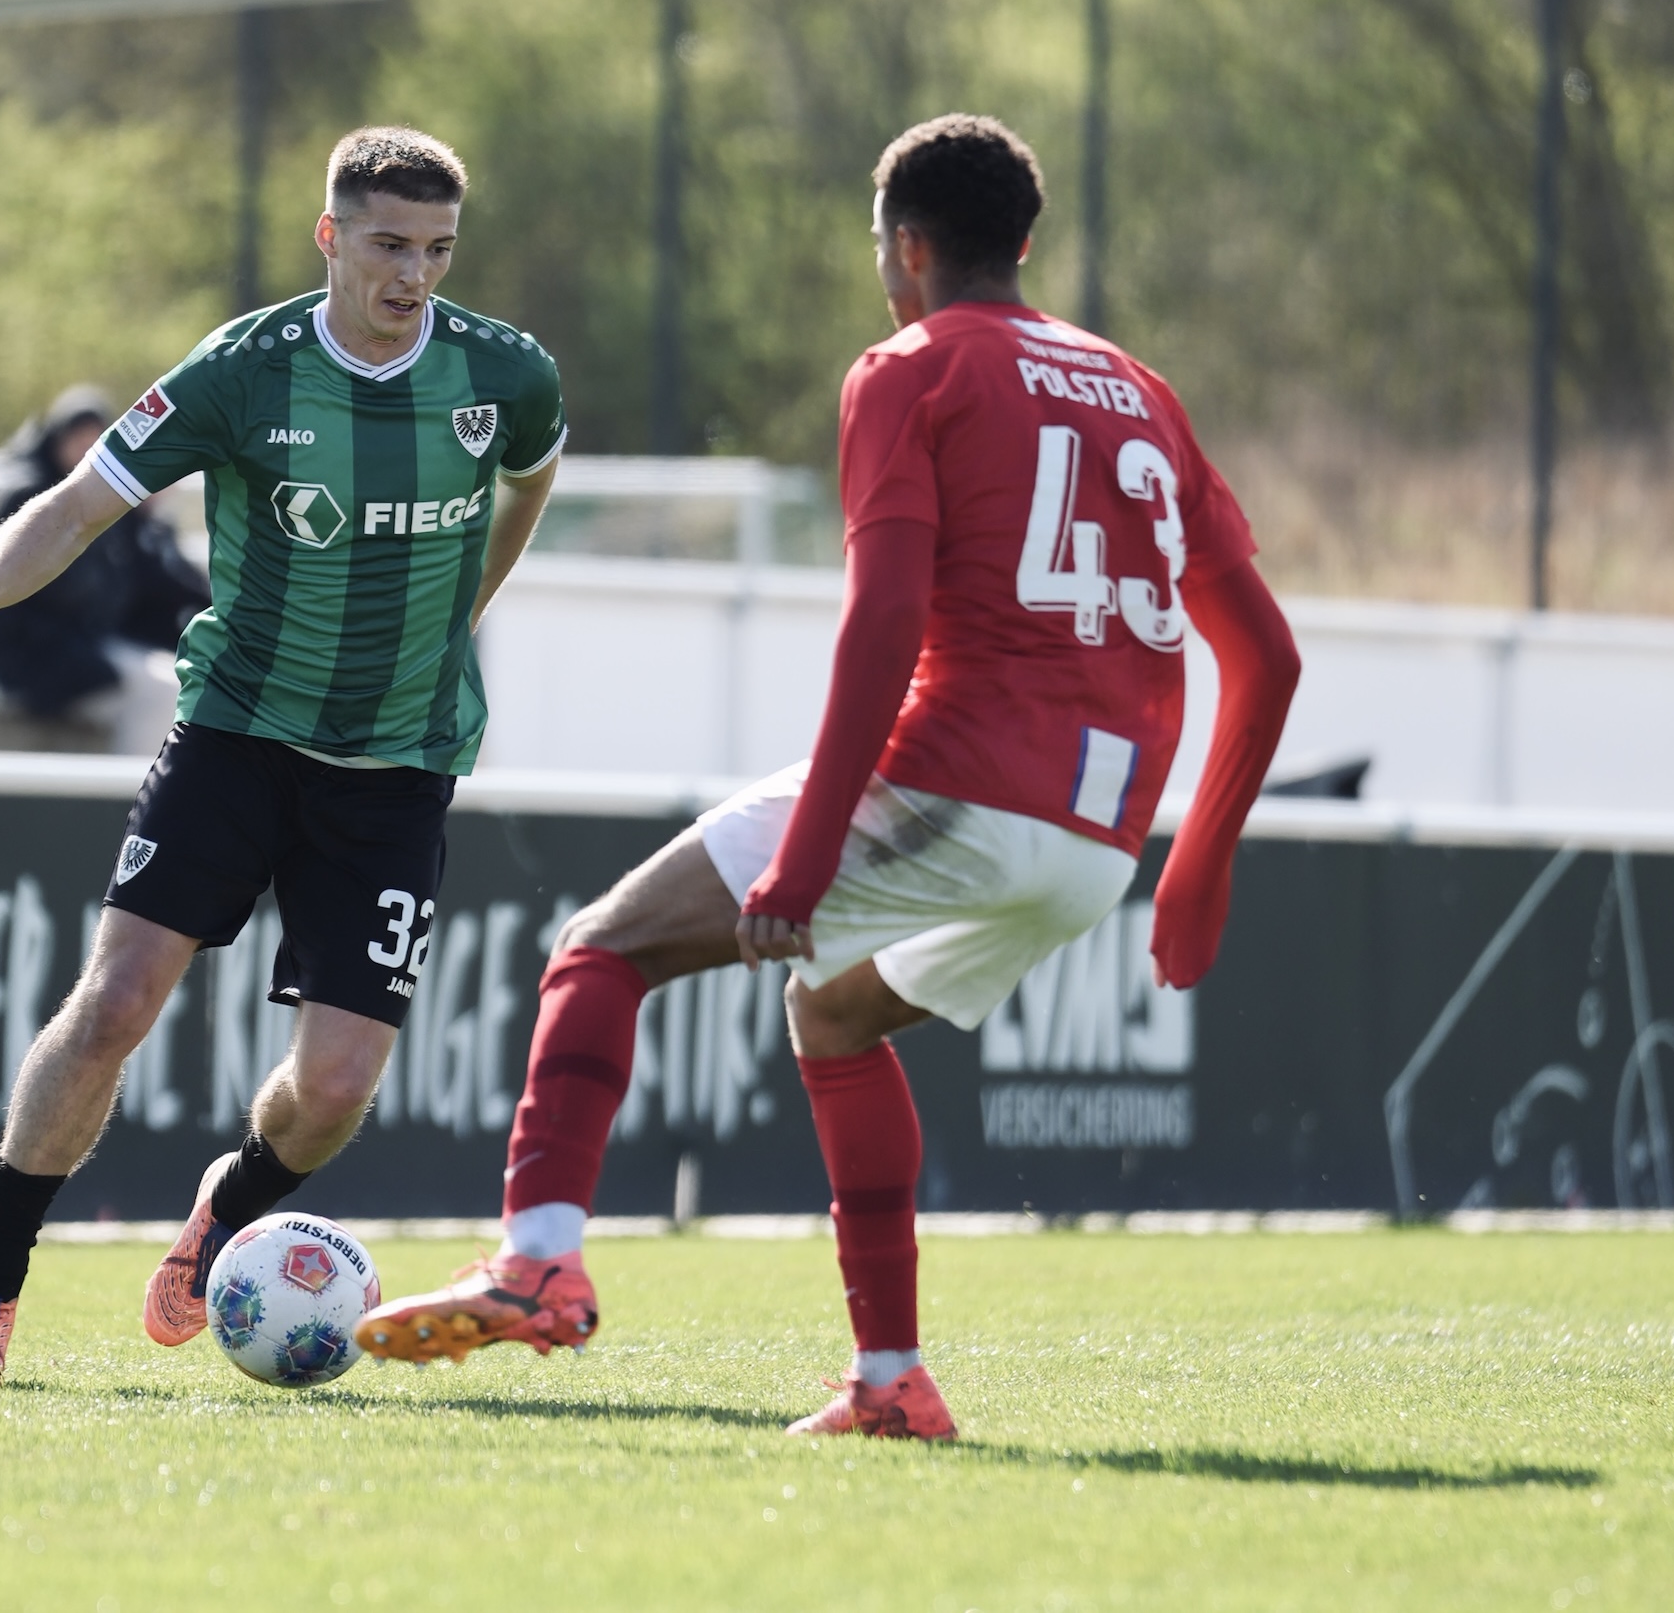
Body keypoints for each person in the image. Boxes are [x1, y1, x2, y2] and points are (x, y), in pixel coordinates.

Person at [358, 114, 1301, 1441]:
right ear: (1023, 245)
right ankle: (890, 1379)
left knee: (601, 950)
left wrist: (802, 865)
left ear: (905, 248)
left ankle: (537, 1260)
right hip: (1099, 841)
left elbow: (887, 622)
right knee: (837, 1017)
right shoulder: (1139, 389)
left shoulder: (910, 368)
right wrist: (1197, 866)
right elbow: (1267, 657)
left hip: (963, 780)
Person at [0, 126, 567, 1387]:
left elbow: (529, 482)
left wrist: (467, 606)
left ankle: (221, 1214)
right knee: (114, 1003)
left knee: (337, 1086)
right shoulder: (246, 370)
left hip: (398, 767)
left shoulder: (504, 373)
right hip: (237, 737)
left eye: (437, 250)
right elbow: (77, 505)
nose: (413, 274)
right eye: (388, 245)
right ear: (330, 237)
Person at [0, 385, 212, 753]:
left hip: (88, 644)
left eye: (94, 441)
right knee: (164, 691)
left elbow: (147, 583)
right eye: (78, 439)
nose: (85, 450)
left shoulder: (107, 505)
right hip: (38, 654)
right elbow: (55, 595)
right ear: (57, 440)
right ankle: (138, 785)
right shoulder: (28, 497)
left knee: (180, 680)